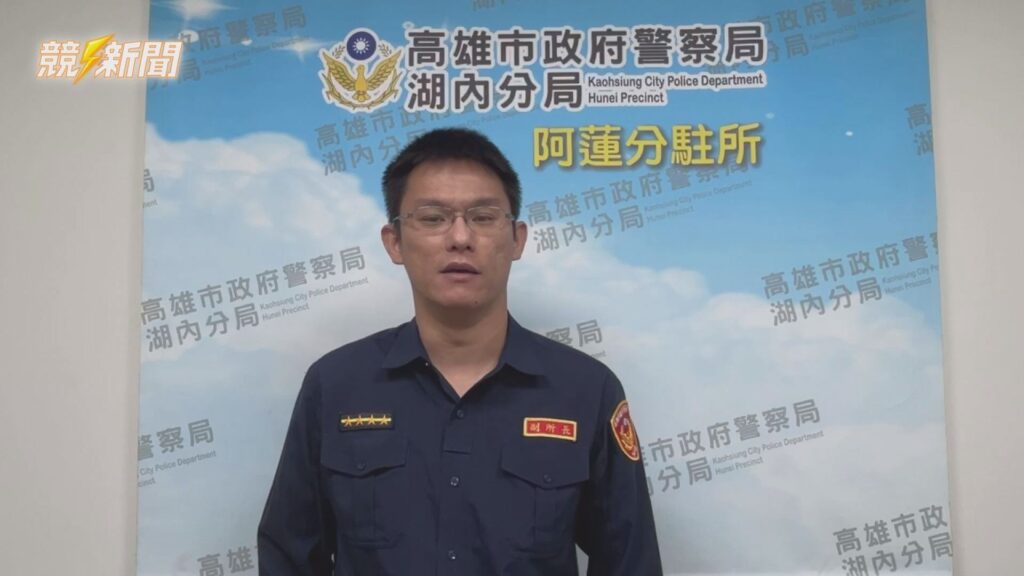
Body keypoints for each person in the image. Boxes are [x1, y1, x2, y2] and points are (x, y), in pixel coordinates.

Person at [258, 128, 663, 575]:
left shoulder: (585, 390)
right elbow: (288, 557)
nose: (460, 237)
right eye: (433, 218)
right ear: (394, 241)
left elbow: (630, 562)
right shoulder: (336, 384)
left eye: (483, 217)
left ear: (517, 239)